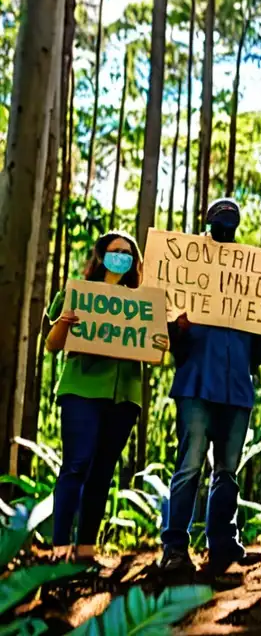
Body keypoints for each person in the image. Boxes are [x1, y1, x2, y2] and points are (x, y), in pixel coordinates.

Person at [160, 198, 261, 575]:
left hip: (237, 390)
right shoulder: (188, 274)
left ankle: (222, 544)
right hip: (196, 386)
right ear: (208, 223)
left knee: (228, 471)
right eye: (220, 219)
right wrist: (177, 327)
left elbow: (256, 350)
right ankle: (174, 548)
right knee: (189, 466)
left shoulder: (250, 281)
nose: (225, 225)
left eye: (231, 220)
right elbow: (168, 341)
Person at [45, 231, 167, 564]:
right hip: (82, 390)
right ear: (100, 256)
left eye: (128, 253)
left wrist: (161, 343)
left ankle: (85, 550)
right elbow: (52, 344)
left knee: (102, 471)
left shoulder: (145, 303)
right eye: (115, 251)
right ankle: (59, 549)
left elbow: (155, 356)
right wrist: (65, 322)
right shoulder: (75, 293)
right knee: (76, 465)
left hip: (124, 397)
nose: (121, 257)